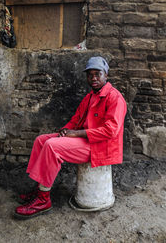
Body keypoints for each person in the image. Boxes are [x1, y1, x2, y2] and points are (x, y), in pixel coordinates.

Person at [14, 56, 127, 219]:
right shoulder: (89, 97)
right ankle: (40, 189)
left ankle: (43, 200)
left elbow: (111, 131)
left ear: (106, 75)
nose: (93, 78)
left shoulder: (114, 97)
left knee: (52, 146)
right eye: (90, 74)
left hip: (100, 147)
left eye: (98, 74)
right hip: (85, 140)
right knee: (42, 140)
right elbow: (76, 119)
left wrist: (76, 133)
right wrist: (66, 130)